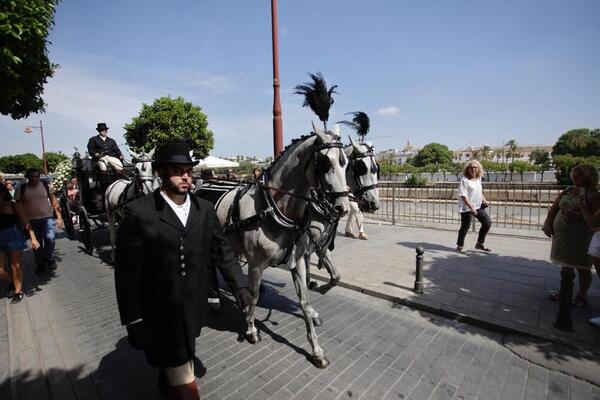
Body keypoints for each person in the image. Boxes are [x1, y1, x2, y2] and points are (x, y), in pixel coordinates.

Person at [114, 141, 251, 399]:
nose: (185, 176)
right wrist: (134, 319)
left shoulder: (205, 209)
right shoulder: (138, 213)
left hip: (193, 308)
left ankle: (166, 382)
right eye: (177, 171)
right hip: (158, 313)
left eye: (188, 170)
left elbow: (222, 250)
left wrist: (240, 285)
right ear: (160, 173)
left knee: (182, 356)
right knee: (186, 384)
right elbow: (126, 274)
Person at [544, 164, 599, 308]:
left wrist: (576, 214)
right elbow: (554, 208)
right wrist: (548, 223)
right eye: (574, 175)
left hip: (582, 236)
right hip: (564, 236)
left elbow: (594, 221)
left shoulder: (595, 195)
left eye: (579, 175)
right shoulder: (569, 190)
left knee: (583, 267)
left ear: (589, 177)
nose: (575, 178)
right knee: (566, 265)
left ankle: (581, 295)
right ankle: (565, 292)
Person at [14, 168, 64, 273]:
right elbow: (18, 206)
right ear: (27, 177)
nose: (34, 179)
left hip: (47, 218)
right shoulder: (21, 188)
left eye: (36, 177)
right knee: (37, 243)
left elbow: (54, 201)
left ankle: (49, 258)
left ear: (39, 177)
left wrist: (59, 217)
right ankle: (40, 262)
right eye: (31, 177)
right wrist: (24, 221)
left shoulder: (46, 186)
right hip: (31, 220)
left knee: (50, 238)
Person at [0, 184, 40, 303]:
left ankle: (18, 291)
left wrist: (33, 238)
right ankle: (12, 282)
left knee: (15, 265)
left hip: (13, 236)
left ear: (2, 193)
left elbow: (26, 222)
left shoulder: (14, 205)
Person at [456, 160, 492, 253]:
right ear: (467, 169)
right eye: (471, 167)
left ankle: (479, 243)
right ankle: (460, 246)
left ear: (478, 169)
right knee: (465, 227)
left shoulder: (478, 178)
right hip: (467, 207)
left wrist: (484, 200)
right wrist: (471, 207)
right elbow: (463, 196)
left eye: (475, 167)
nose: (473, 169)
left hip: (478, 205)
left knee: (487, 223)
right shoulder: (464, 180)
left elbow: (478, 191)